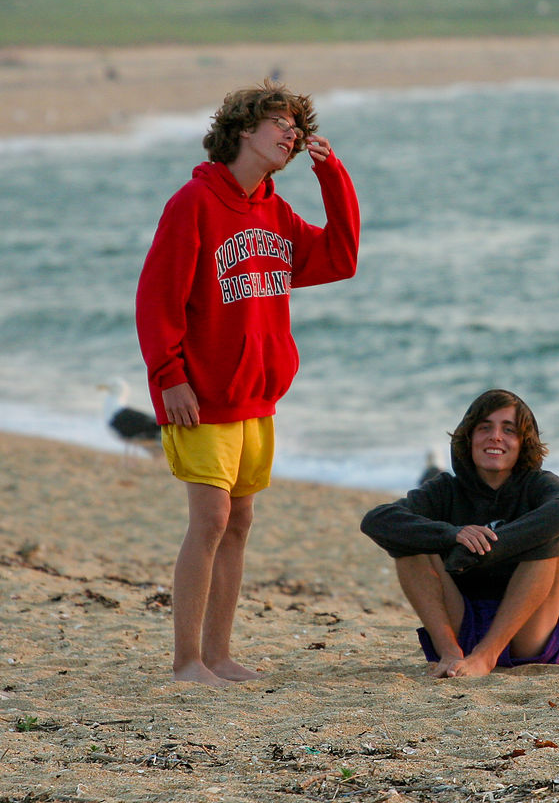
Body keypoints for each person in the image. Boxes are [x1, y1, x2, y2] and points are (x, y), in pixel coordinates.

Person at [135, 80, 360, 688]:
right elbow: (157, 299)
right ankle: (186, 662)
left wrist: (332, 176)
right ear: (243, 130)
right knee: (208, 520)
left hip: (256, 398)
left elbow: (340, 258)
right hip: (200, 396)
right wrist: (168, 378)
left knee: (238, 522)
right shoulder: (194, 203)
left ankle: (219, 654)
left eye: (297, 127)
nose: (292, 134)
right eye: (280, 124)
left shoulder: (275, 210)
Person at [361, 389, 559, 678]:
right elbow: (376, 520)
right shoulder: (445, 489)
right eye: (485, 427)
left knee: (552, 535)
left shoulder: (538, 485)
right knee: (407, 540)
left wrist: (490, 548)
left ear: (523, 442)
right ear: (468, 437)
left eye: (508, 429)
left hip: (527, 633)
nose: (495, 437)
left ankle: (487, 656)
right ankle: (449, 653)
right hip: (460, 625)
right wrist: (452, 535)